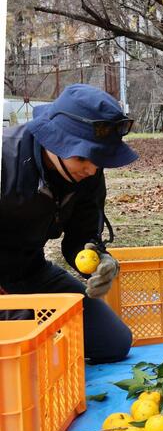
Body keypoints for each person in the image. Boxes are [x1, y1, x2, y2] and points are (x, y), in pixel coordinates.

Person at [0, 84, 136, 363]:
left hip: (29, 272)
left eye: (100, 159)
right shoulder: (6, 160)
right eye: (83, 157)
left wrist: (98, 260)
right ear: (54, 140)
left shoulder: (88, 174)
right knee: (23, 353)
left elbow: (81, 237)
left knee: (113, 343)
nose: (93, 169)